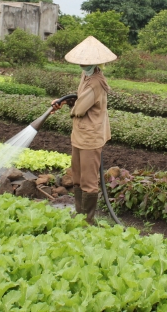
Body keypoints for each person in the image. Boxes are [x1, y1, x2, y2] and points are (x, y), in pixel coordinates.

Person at [51, 36, 117, 224]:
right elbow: (79, 99)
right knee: (78, 176)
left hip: (90, 137)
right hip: (80, 134)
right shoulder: (86, 75)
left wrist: (66, 104)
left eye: (84, 62)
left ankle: (87, 220)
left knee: (88, 182)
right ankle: (79, 214)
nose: (81, 65)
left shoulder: (96, 82)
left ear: (94, 63)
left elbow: (79, 109)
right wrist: (63, 101)